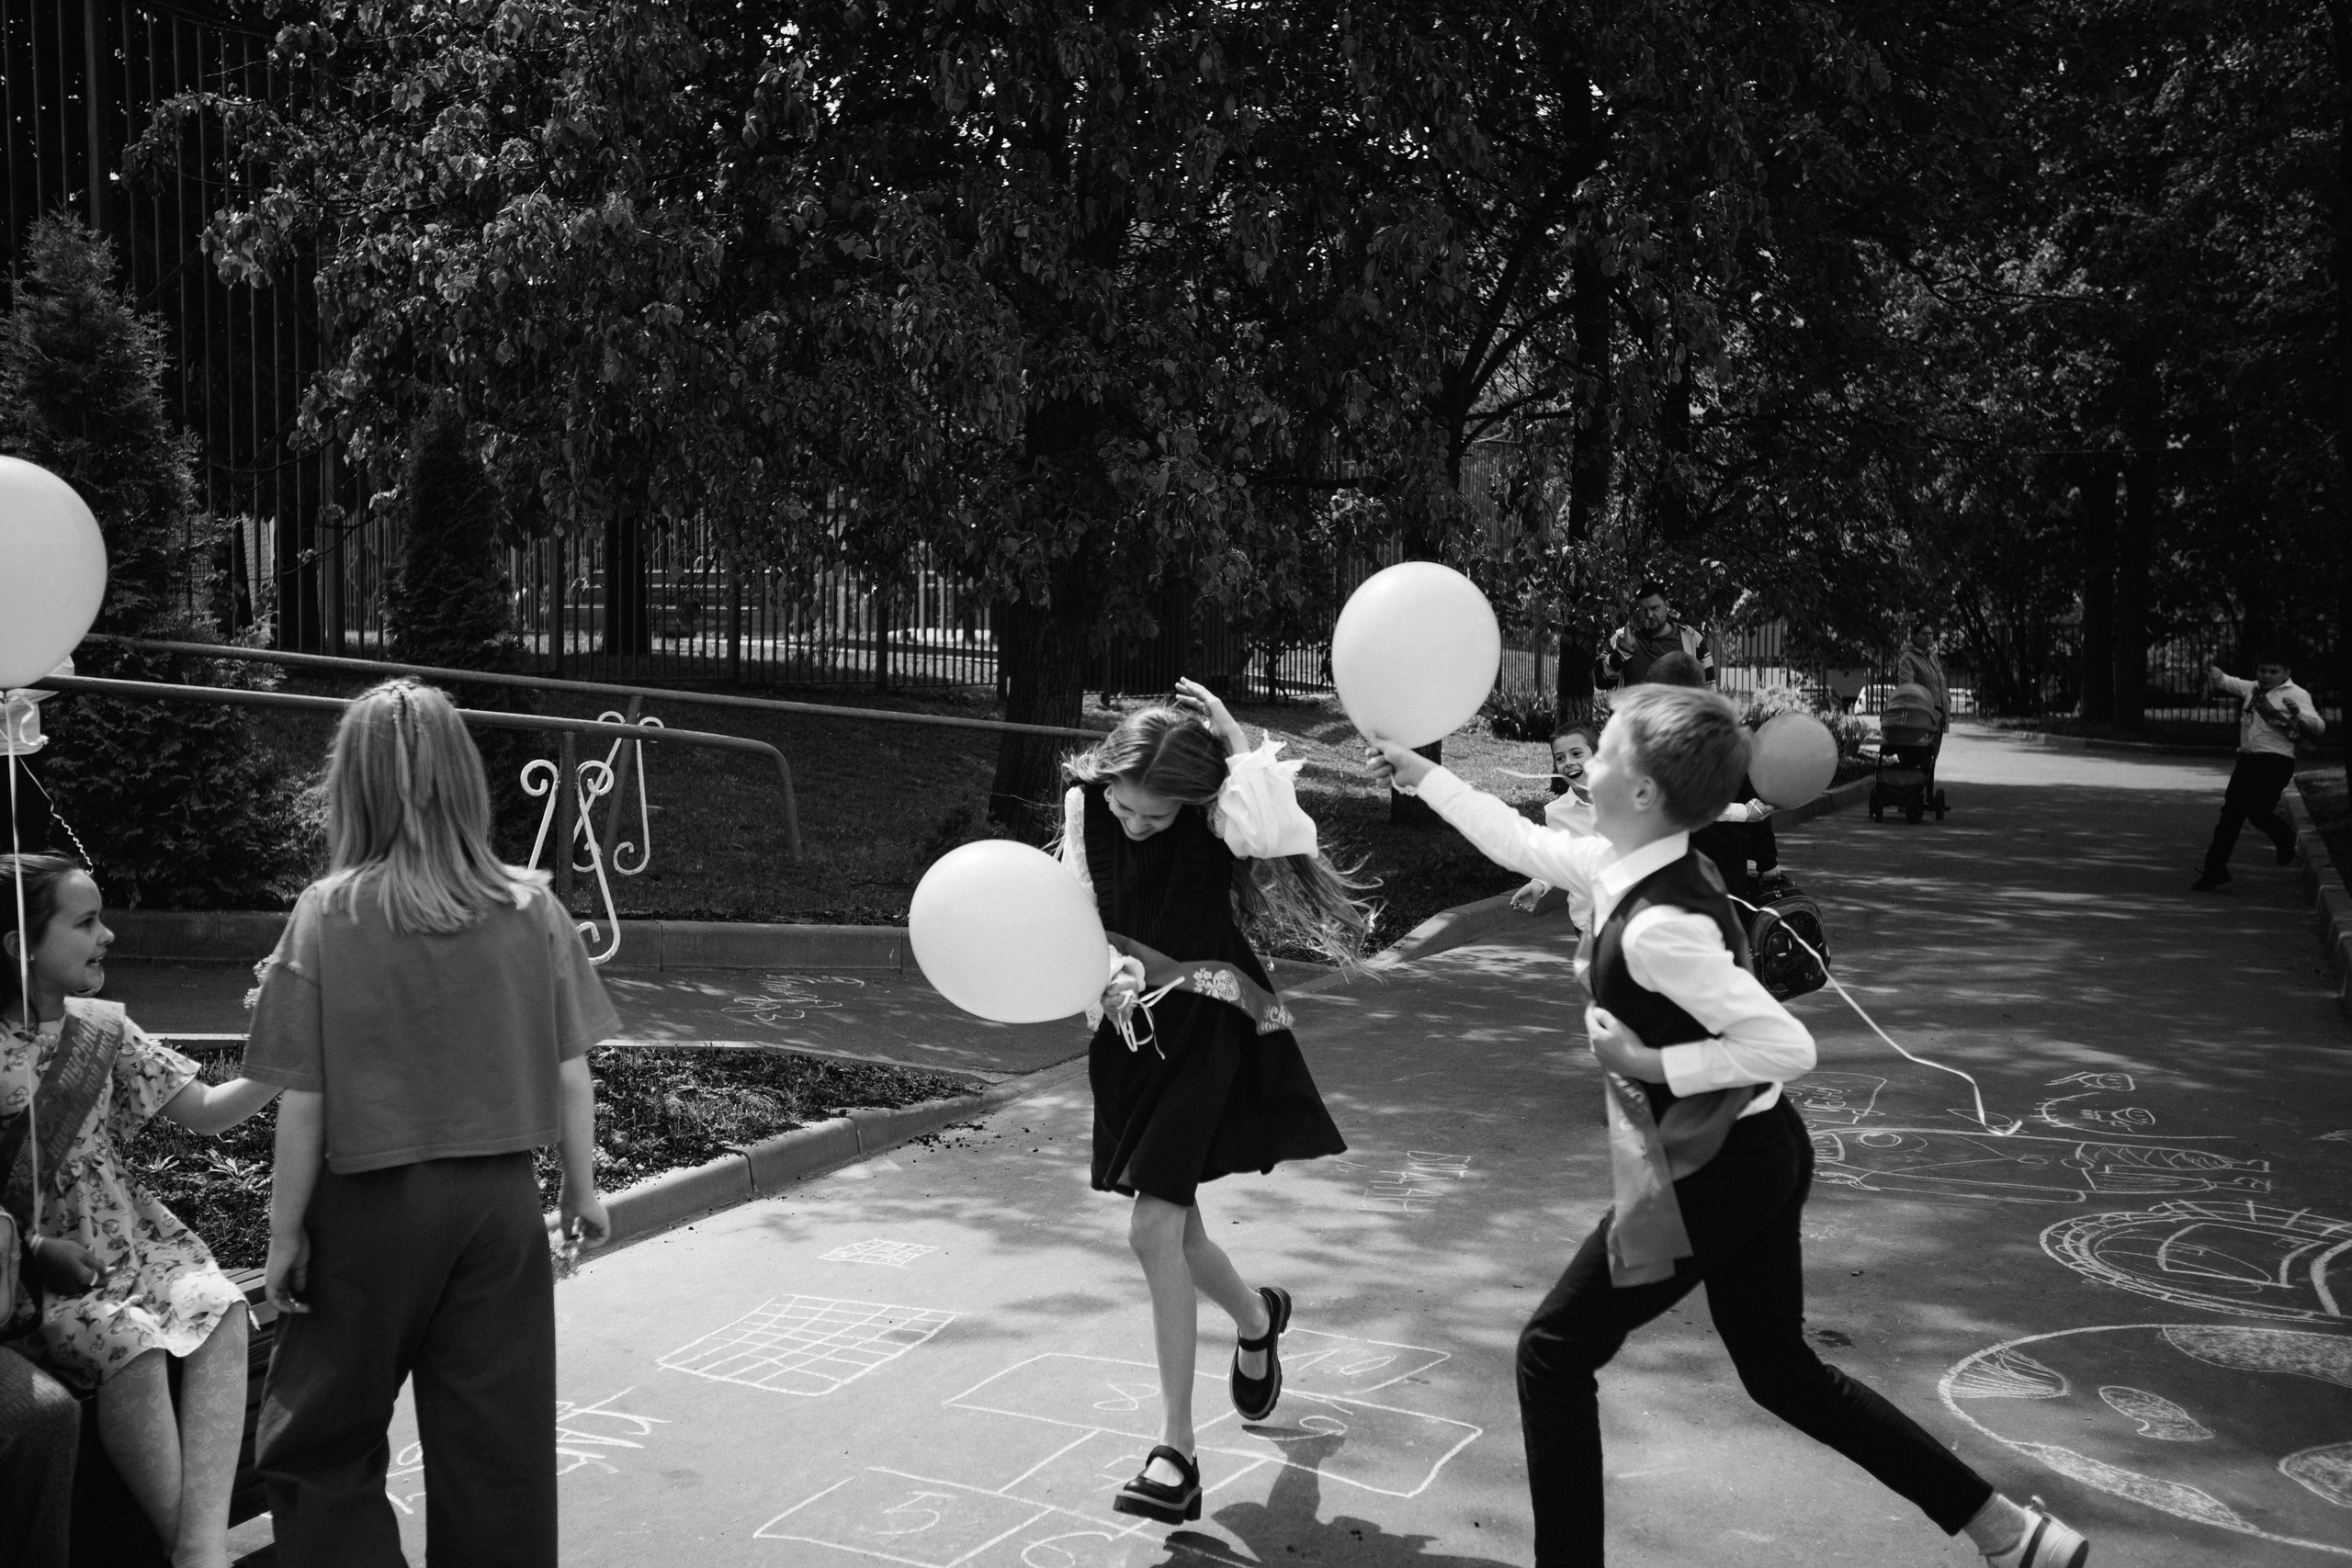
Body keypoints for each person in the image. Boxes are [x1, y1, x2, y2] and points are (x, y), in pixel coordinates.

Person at [1362, 687, 2089, 1568]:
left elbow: (1786, 1042)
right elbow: (1520, 841)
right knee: (1781, 1370)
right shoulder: (1631, 862)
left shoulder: (1661, 920)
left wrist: (1650, 1063)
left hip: (1718, 1167)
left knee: (1552, 1354)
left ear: (1637, 794)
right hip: (1753, 1149)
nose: (1582, 762)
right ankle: (2010, 1535)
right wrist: (1427, 774)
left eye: (1601, 755)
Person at [242, 680, 619, 1567]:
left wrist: (284, 1231)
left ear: (353, 784)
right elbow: (573, 1068)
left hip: (369, 1205)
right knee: (499, 1452)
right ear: (465, 779)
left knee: (320, 1441)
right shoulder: (533, 907)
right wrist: (582, 1187)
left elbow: (305, 1096)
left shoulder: (329, 912)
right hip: (498, 1208)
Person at [1059, 678, 1366, 1525]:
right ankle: (1258, 1316)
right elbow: (1078, 913)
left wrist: (1233, 738)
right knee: (1180, 1227)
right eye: (1126, 806)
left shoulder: (1223, 814)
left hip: (1210, 1031)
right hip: (1126, 1039)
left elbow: (1276, 826)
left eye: (1155, 817)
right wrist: (1102, 982)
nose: (1135, 823)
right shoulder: (1088, 807)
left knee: (1152, 1226)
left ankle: (1176, 1451)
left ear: (1194, 799)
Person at [3, 852, 281, 1568]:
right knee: (132, 1342)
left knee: (217, 1305)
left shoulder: (102, 1027)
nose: (109, 936)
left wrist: (288, 1047)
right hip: (50, 1277)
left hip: (137, 1243)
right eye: (87, 921)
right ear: (19, 945)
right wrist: (34, 1251)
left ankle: (196, 1547)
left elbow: (209, 1112)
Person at [2194, 651, 2325, 892]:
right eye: (2262, 670)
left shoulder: (2297, 694)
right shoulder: (2253, 689)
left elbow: (2318, 727)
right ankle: (2214, 870)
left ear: (2287, 673)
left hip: (2276, 762)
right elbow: (2227, 682)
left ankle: (2285, 838)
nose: (2266, 675)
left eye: (2273, 671)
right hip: (2247, 761)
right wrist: (2217, 675)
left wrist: (2298, 713)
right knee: (2230, 817)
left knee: (2258, 812)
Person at [1510, 720, 1599, 928]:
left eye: (1577, 754)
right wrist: (1538, 884)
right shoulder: (1556, 812)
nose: (1568, 762)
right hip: (1587, 922)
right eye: (1560, 758)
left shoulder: (1630, 798)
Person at [1593, 581, 1713, 692]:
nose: (1649, 615)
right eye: (1643, 610)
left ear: (1667, 605)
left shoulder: (1692, 639)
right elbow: (1598, 681)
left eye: (1654, 608)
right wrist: (1623, 651)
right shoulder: (1623, 638)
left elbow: (1710, 691)